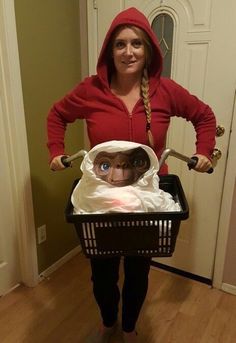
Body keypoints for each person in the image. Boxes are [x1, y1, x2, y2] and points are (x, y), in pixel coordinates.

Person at [47, 7, 216, 343]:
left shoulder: (165, 91)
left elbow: (204, 116)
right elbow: (57, 114)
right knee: (103, 274)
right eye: (120, 44)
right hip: (104, 198)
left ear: (148, 49)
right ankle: (109, 321)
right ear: (110, 50)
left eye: (136, 43)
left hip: (147, 199)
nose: (128, 52)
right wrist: (55, 151)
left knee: (138, 272)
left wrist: (204, 153)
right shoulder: (90, 90)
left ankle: (129, 328)